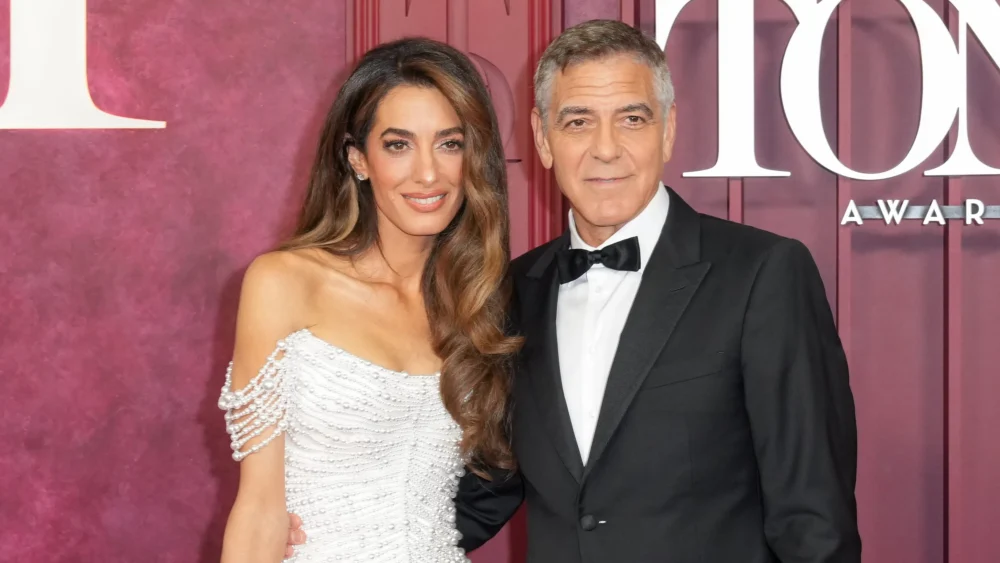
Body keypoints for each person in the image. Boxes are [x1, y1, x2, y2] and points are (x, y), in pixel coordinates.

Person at [288, 19, 862, 563]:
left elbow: (812, 518)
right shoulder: (510, 292)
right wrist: (339, 536)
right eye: (578, 122)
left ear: (668, 130)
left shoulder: (762, 274)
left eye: (632, 119)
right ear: (542, 138)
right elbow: (487, 490)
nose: (605, 148)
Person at [218, 37, 521, 562]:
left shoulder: (480, 304)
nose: (428, 173)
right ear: (358, 159)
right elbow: (260, 511)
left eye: (449, 144)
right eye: (398, 145)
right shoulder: (284, 283)